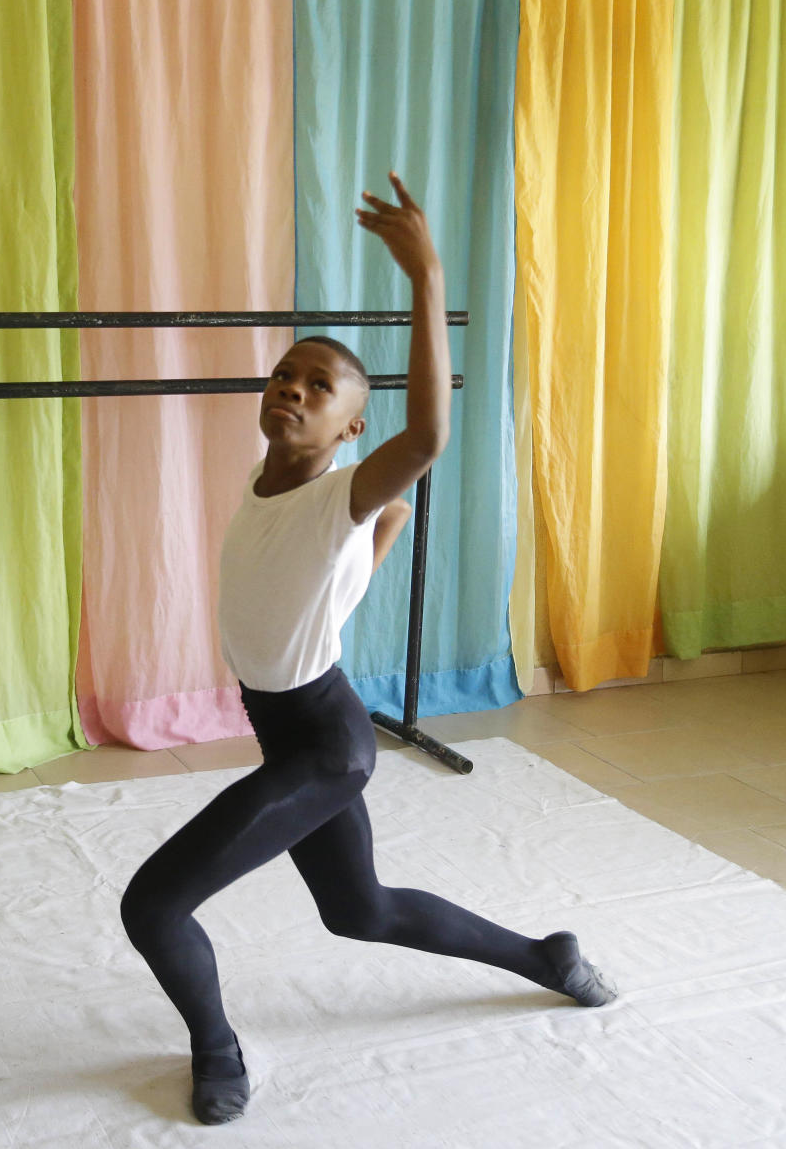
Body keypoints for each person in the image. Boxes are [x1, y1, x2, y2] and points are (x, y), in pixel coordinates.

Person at [120, 172, 616, 1126]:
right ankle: (544, 954)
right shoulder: (283, 487)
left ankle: (217, 1048)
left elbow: (425, 436)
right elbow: (330, 565)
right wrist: (380, 536)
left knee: (153, 906)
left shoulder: (335, 489)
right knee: (361, 909)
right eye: (285, 374)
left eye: (319, 386)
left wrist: (426, 276)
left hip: (322, 742)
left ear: (352, 428)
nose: (292, 389)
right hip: (295, 729)